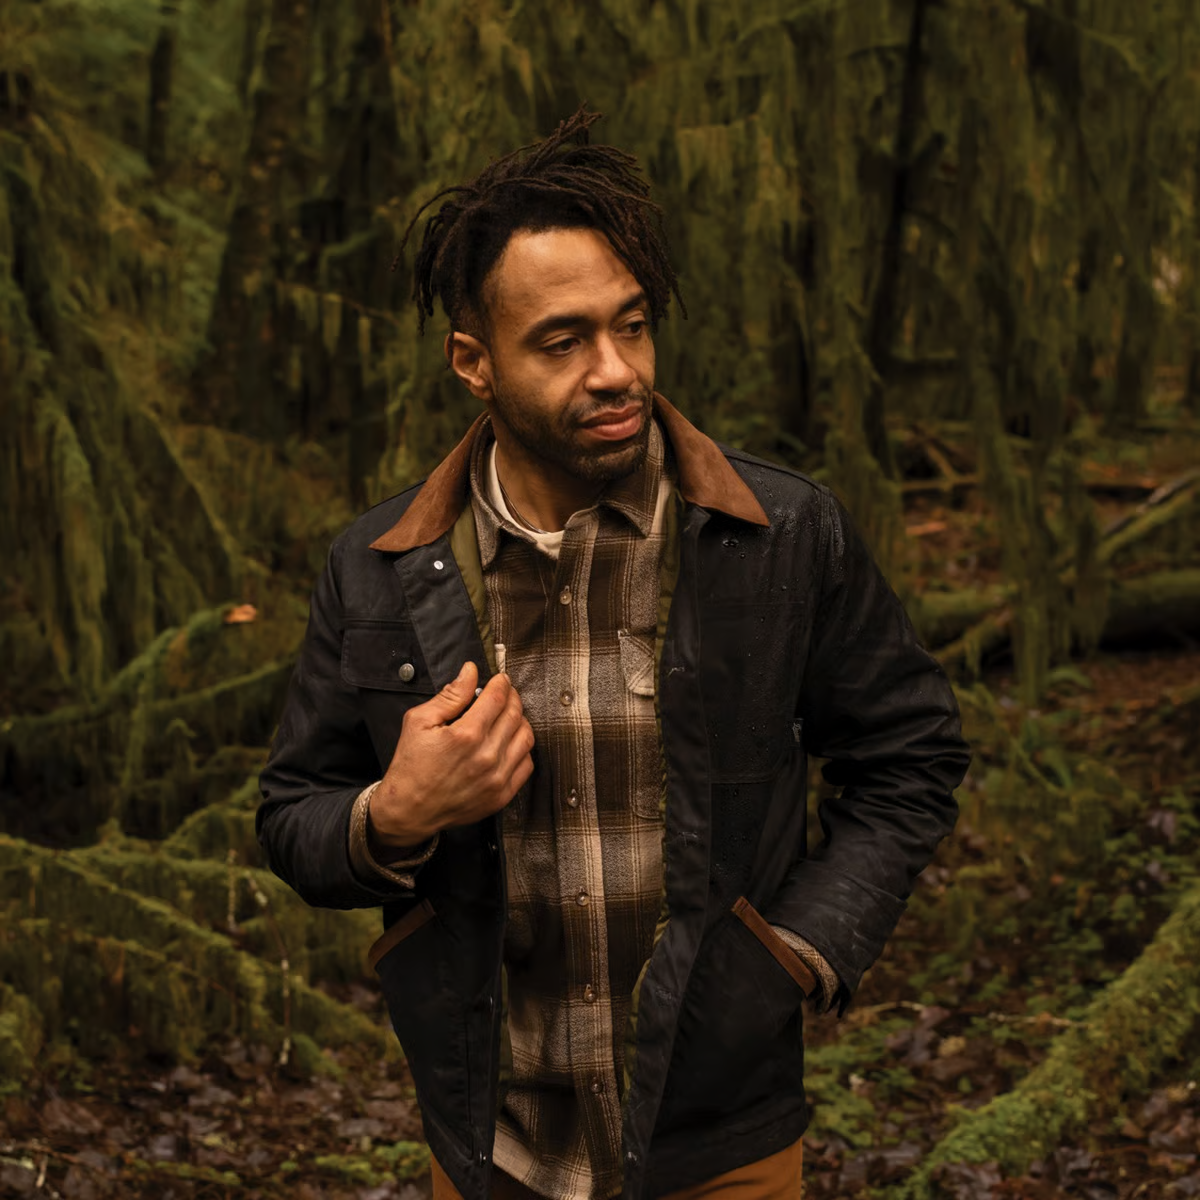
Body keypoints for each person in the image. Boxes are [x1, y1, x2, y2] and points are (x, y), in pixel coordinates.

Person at [257, 108, 971, 1200]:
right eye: (563, 341)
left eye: (631, 327)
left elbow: (910, 756)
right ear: (473, 362)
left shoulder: (775, 537)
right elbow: (292, 811)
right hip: (490, 1143)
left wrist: (798, 954)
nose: (616, 371)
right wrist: (392, 815)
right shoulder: (380, 570)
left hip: (722, 1141)